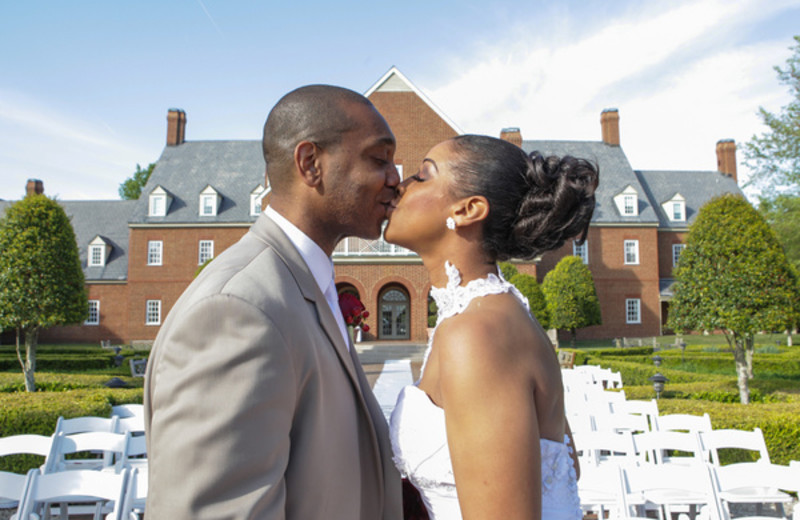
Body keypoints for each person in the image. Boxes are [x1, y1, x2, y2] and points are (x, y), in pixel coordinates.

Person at [144, 85, 403, 519]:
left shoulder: (300, 285)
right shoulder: (237, 311)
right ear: (310, 164)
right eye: (379, 159)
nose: (395, 178)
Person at [385, 135, 598, 520]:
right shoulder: (495, 313)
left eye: (422, 175)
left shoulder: (477, 332)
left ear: (468, 209)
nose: (400, 186)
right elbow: (567, 465)